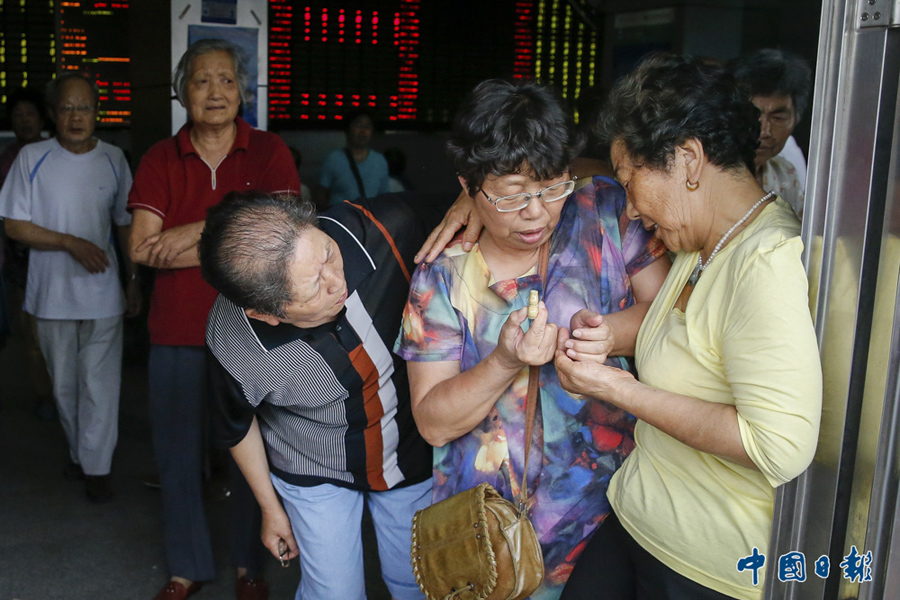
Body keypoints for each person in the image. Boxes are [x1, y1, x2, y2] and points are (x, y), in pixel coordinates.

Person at [557, 53, 822, 600]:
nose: (628, 211)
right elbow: (684, 334)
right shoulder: (701, 243)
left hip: (705, 566)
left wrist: (618, 388)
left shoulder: (766, 261)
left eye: (631, 182)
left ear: (689, 160)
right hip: (636, 519)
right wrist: (607, 334)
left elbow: (777, 444)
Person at [394, 79, 670, 600]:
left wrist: (606, 334)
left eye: (550, 187)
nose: (536, 213)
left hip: (615, 512)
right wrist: (502, 360)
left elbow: (668, 315)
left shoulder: (604, 212)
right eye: (512, 197)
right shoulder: (443, 278)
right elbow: (432, 423)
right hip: (496, 539)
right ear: (468, 186)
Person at [127, 38, 301, 600]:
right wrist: (232, 227)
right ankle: (187, 566)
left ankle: (251, 565)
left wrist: (191, 234)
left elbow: (281, 232)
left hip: (252, 333)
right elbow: (140, 248)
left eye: (226, 79)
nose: (215, 91)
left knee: (250, 457)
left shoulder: (268, 150)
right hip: (175, 330)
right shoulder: (160, 157)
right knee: (177, 456)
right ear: (182, 93)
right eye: (201, 80)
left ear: (243, 91)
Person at [201, 190, 432, 600]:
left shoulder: (383, 226)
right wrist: (271, 509)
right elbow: (237, 426)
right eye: (314, 288)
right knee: (334, 594)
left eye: (327, 254)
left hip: (409, 448)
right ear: (266, 313)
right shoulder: (233, 338)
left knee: (419, 583)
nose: (336, 281)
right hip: (312, 464)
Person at [0, 73, 140, 502]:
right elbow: (14, 224)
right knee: (64, 384)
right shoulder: (32, 158)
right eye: (67, 108)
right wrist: (68, 242)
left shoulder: (115, 158)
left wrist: (132, 281)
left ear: (97, 112)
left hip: (102, 294)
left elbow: (125, 225)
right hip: (50, 294)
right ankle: (82, 455)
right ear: (52, 114)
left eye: (84, 108)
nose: (76, 117)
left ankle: (97, 469)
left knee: (100, 384)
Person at [0, 87, 56, 419]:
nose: (24, 120)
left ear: (42, 118)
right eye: (18, 115)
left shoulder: (57, 151)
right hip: (22, 260)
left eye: (29, 114)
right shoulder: (8, 158)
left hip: (62, 255)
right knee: (31, 330)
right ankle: (44, 395)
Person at [729, 48, 813, 218]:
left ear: (795, 120)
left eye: (778, 118)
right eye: (754, 115)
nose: (765, 131)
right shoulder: (703, 175)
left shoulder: (785, 175)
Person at [315, 108, 390, 208]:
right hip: (340, 218)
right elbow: (320, 195)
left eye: (367, 126)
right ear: (348, 129)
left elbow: (384, 197)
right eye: (358, 125)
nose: (363, 131)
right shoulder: (333, 159)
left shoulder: (380, 161)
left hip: (369, 220)